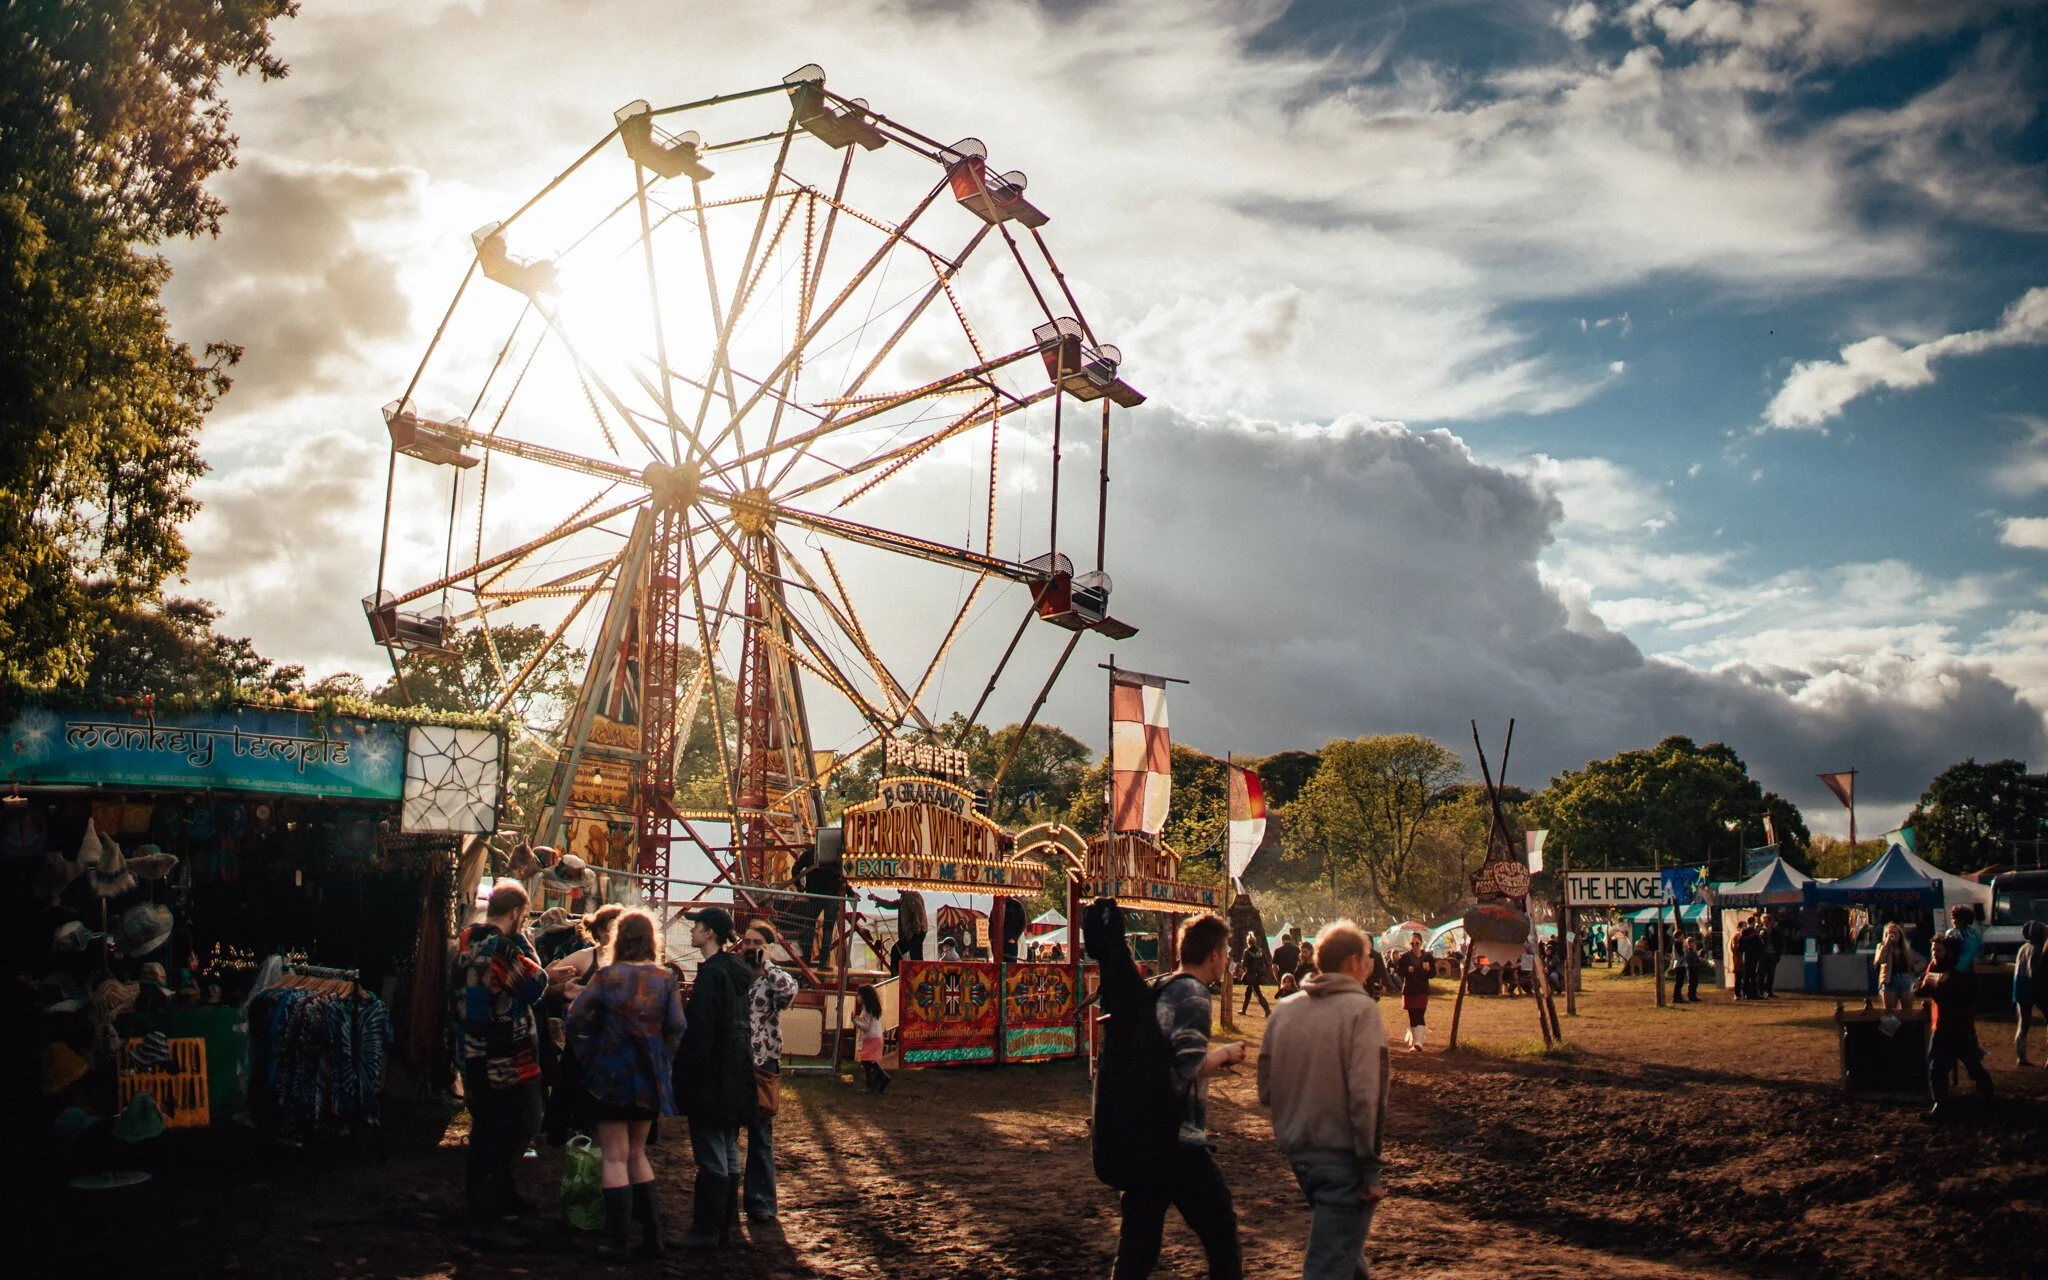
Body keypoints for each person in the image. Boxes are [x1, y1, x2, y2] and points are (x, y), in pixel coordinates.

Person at [1103, 911, 1245, 1280]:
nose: (1227, 958)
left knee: (1137, 1247)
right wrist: (1226, 1054)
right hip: (1179, 1139)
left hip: (1145, 1136)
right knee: (1221, 1232)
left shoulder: (1164, 985)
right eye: (1226, 951)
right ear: (1213, 954)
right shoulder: (1194, 995)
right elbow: (1188, 1065)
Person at [1259, 921, 1390, 1280]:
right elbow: (1367, 1096)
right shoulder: (1362, 1011)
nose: (1372, 965)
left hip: (1298, 1152)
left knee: (1344, 1253)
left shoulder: (1284, 1009)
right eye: (1368, 957)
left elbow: (1266, 1087)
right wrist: (1370, 1168)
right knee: (1328, 1264)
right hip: (1344, 1158)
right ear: (1353, 962)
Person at [564, 909, 685, 1258]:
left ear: (619, 937)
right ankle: (653, 1238)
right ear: (651, 939)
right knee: (637, 1153)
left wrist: (589, 1053)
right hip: (648, 1078)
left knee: (614, 1158)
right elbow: (677, 1027)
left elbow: (575, 1020)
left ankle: (619, 1242)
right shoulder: (665, 979)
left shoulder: (607, 976)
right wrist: (662, 1059)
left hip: (609, 1075)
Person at [456, 882, 549, 1251]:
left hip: (472, 1052)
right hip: (505, 1058)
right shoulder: (504, 949)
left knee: (483, 1135)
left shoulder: (465, 941)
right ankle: (487, 1221)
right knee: (502, 1136)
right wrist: (525, 942)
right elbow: (535, 985)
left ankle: (486, 1207)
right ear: (515, 915)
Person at [674, 906, 758, 1246]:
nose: (692, 931)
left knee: (711, 1151)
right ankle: (724, 1225)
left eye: (697, 926)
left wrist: (685, 1076)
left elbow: (701, 1032)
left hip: (712, 1075)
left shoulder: (712, 975)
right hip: (736, 1072)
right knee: (727, 1148)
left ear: (709, 933)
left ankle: (705, 1229)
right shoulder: (737, 971)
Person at [739, 919, 798, 1221]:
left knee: (760, 1135)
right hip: (735, 1062)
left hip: (762, 1063)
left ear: (768, 947)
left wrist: (767, 967)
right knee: (728, 1131)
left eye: (755, 943)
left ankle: (761, 1203)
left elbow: (789, 994)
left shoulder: (775, 978)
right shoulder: (736, 974)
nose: (749, 947)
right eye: (746, 942)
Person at [1915, 933, 1994, 1121]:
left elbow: (1964, 996)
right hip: (1943, 1026)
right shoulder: (1935, 967)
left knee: (1972, 1065)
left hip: (1959, 1026)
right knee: (1938, 1067)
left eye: (1939, 950)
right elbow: (1921, 989)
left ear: (1950, 951)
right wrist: (1922, 986)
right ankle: (1941, 1105)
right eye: (1933, 949)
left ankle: (1989, 1099)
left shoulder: (1960, 972)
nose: (1934, 953)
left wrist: (1940, 986)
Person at [1391, 933, 1435, 1052]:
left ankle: (1419, 1042)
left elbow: (1433, 974)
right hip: (1410, 990)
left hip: (1422, 989)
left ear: (1421, 943)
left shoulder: (1428, 957)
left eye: (1417, 943)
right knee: (1412, 1015)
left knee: (1420, 1013)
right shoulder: (1405, 957)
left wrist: (1428, 969)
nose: (1414, 945)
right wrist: (1407, 970)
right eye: (1412, 943)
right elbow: (1399, 972)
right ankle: (1416, 1042)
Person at [867, 888, 928, 973]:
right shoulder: (904, 897)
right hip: (911, 933)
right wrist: (877, 899)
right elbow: (892, 904)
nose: (896, 889)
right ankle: (898, 975)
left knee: (915, 956)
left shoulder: (910, 895)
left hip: (915, 932)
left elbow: (918, 913)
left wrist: (916, 930)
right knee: (897, 951)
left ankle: (911, 976)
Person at [2014, 921, 2046, 1066]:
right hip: (2035, 988)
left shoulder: (2022, 948)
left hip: (2020, 987)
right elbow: (2036, 972)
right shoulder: (2038, 950)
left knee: (2023, 1023)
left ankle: (2021, 1057)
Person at [854, 983, 889, 1093]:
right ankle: (880, 1079)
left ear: (864, 996)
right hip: (877, 1037)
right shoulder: (873, 1008)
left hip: (871, 1039)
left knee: (866, 1062)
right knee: (870, 1062)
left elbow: (865, 1027)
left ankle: (874, 1083)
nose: (857, 997)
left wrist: (854, 1021)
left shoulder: (866, 1010)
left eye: (859, 995)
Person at [1876, 921, 1917, 1013]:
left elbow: (1913, 962)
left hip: (1904, 979)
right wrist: (1887, 944)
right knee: (1889, 1011)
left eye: (1895, 933)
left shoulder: (1905, 947)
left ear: (1900, 935)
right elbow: (1880, 961)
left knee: (1907, 1011)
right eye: (1889, 933)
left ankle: (1907, 1026)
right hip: (1889, 980)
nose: (1892, 935)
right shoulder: (1881, 946)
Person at [1238, 933, 1272, 1016]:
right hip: (1259, 975)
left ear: (1248, 942)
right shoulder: (1260, 951)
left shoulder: (1247, 951)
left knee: (1257, 993)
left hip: (1251, 975)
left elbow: (1244, 964)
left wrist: (1241, 966)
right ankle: (1243, 1010)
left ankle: (1267, 1010)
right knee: (1249, 991)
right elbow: (1267, 963)